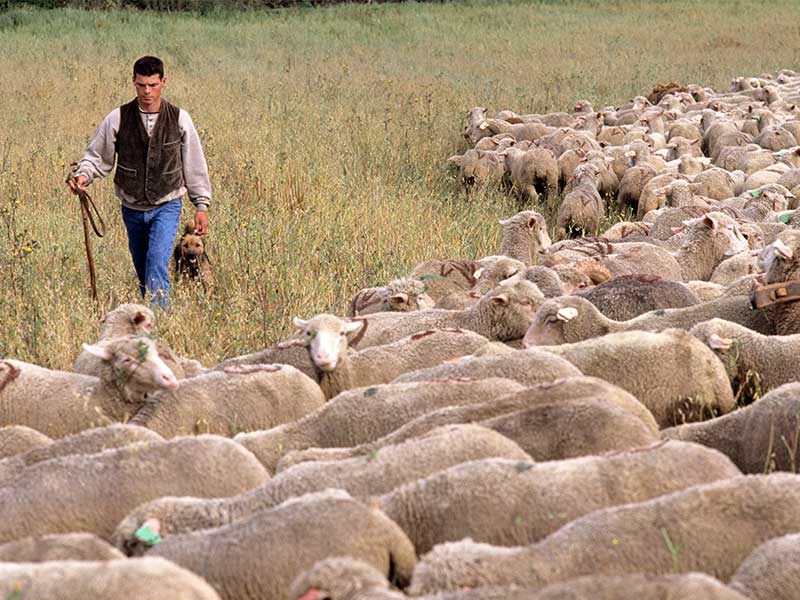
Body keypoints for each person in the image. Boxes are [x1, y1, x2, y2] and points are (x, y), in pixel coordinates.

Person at [68, 55, 211, 310]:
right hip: (132, 207)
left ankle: (157, 326)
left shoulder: (179, 118)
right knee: (143, 270)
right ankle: (147, 319)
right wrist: (82, 175)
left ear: (163, 82)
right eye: (142, 85)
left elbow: (194, 163)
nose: (147, 91)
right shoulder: (117, 117)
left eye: (153, 85)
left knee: (156, 263)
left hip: (167, 204)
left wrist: (201, 205)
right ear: (134, 82)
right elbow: (97, 156)